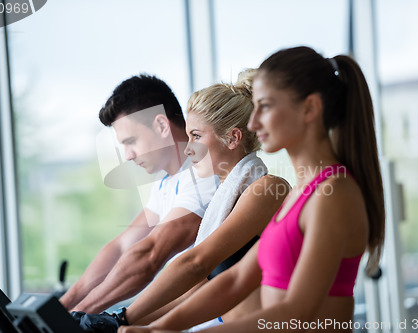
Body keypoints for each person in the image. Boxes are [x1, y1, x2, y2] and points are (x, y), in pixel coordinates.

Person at [119, 46, 385, 333]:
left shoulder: (334, 194)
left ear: (309, 109)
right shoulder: (298, 194)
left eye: (266, 106)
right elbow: (233, 282)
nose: (253, 121)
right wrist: (154, 327)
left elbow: (297, 311)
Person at [75, 69, 290, 332]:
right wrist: (116, 321)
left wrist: (123, 319)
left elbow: (195, 264)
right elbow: (195, 290)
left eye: (196, 136)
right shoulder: (225, 199)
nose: (188, 148)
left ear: (233, 138)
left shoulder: (265, 189)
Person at [59, 75, 218, 314]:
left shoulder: (204, 174)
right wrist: (63, 306)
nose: (128, 155)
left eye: (131, 141)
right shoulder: (165, 183)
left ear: (162, 125)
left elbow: (150, 256)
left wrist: (79, 314)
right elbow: (122, 247)